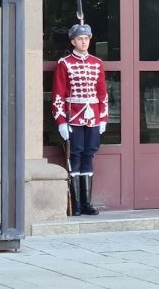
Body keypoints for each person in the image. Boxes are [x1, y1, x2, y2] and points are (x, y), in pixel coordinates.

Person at [51, 22, 108, 216]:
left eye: (86, 38)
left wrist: (103, 118)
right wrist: (61, 121)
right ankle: (75, 205)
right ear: (73, 41)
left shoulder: (97, 63)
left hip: (93, 117)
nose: (84, 42)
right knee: (75, 156)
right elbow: (58, 94)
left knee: (89, 155)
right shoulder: (64, 63)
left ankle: (86, 204)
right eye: (80, 39)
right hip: (73, 116)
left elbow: (102, 94)